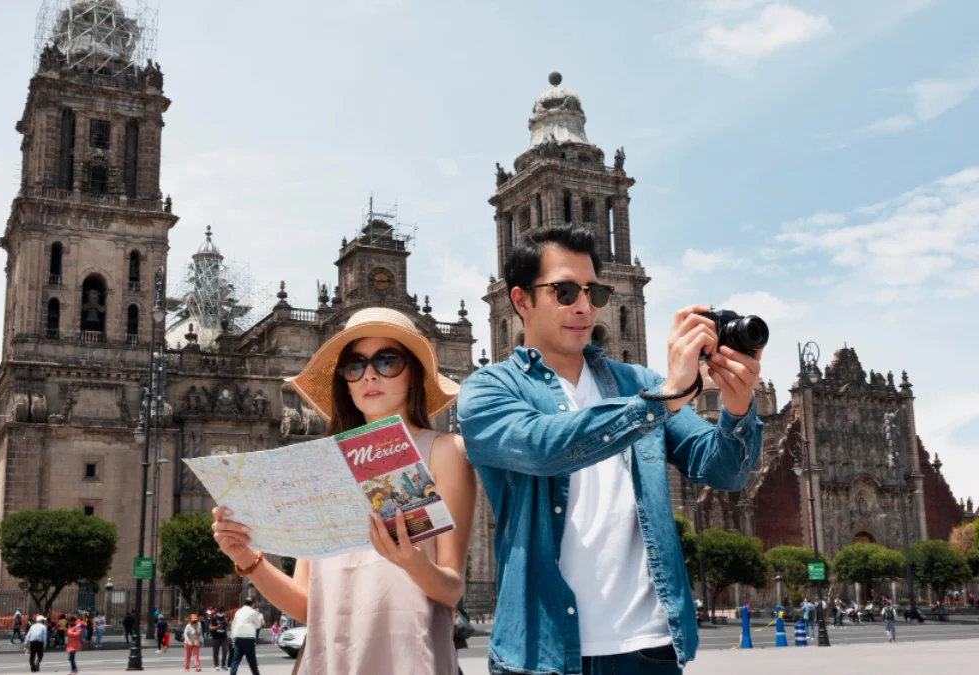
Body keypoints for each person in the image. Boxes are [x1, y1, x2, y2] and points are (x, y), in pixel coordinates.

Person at [455, 224, 765, 673]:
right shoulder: (489, 390)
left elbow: (724, 472)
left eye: (593, 293)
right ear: (521, 300)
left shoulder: (637, 383)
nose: (583, 306)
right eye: (564, 291)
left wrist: (738, 404)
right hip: (542, 655)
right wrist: (663, 399)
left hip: (650, 649)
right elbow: (546, 447)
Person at [211, 308, 478, 675]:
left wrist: (413, 563)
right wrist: (247, 559)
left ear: (414, 373)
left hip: (411, 661)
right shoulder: (324, 466)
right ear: (346, 383)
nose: (369, 373)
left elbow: (451, 588)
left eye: (387, 361)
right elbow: (307, 606)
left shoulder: (446, 451)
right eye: (355, 365)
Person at [227, 600, 263, 675]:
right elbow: (258, 624)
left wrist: (232, 637)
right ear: (252, 604)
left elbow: (233, 624)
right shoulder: (253, 612)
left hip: (238, 637)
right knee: (251, 660)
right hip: (248, 638)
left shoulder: (238, 612)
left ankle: (232, 673)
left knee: (236, 659)